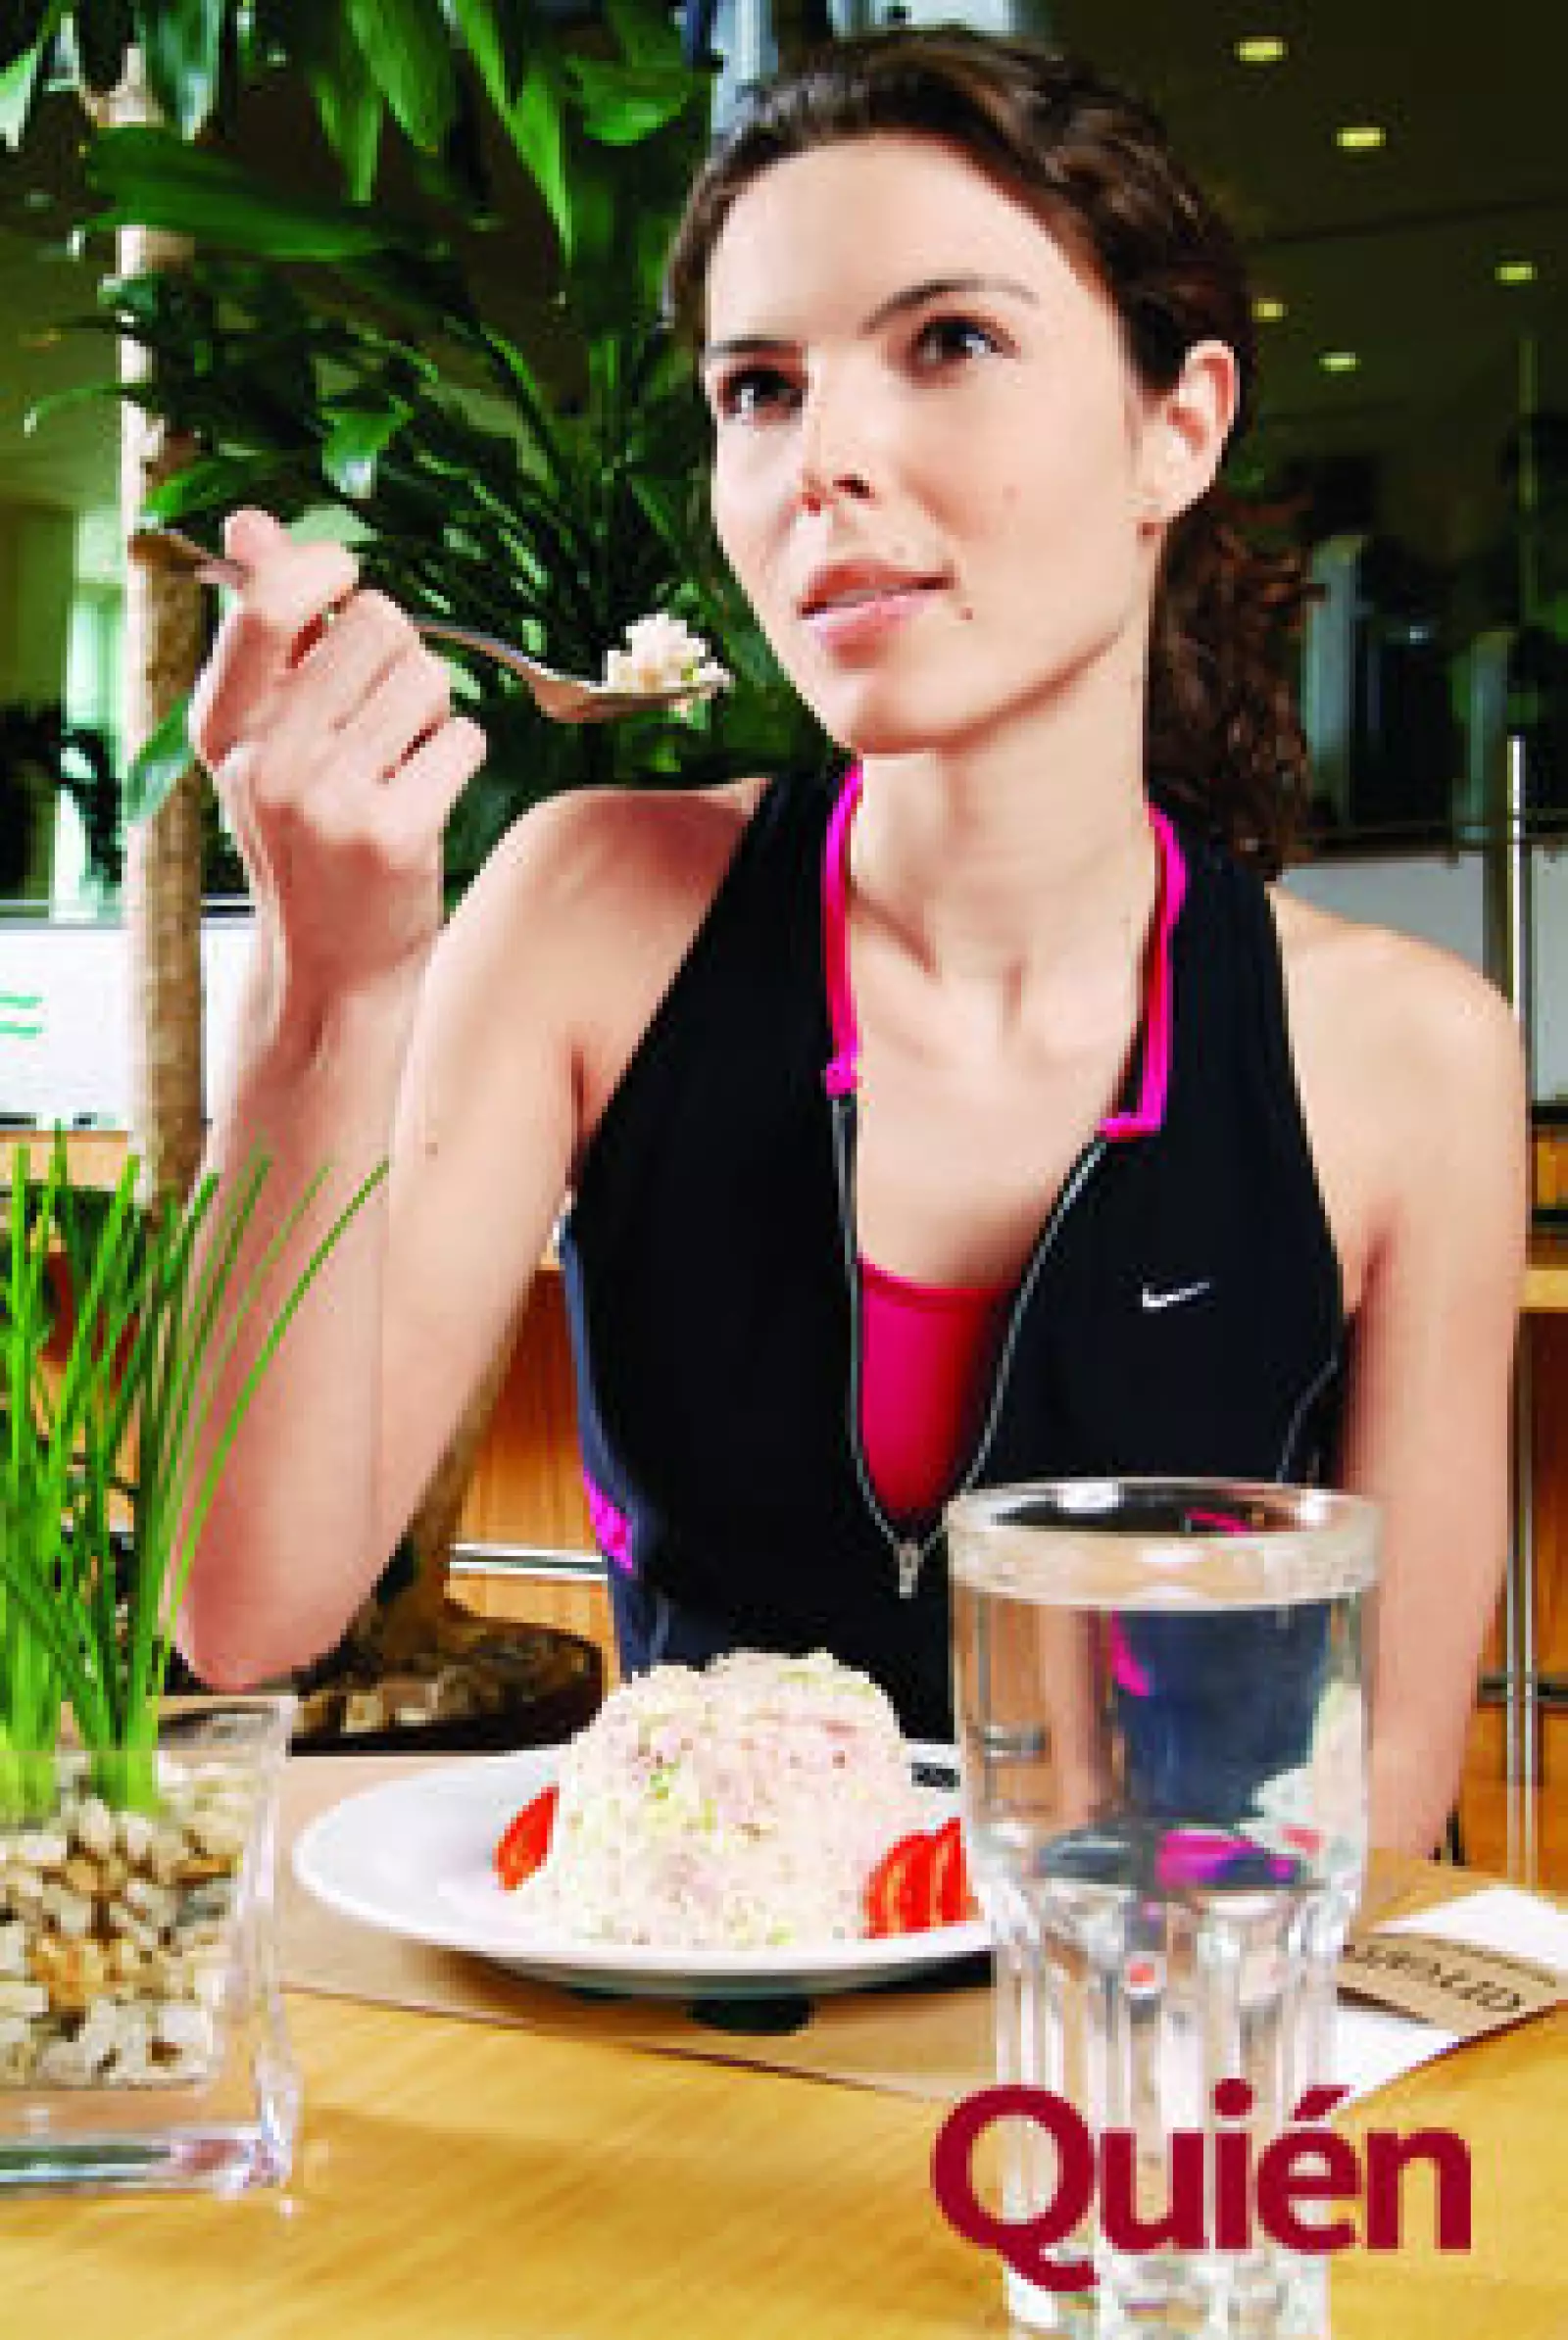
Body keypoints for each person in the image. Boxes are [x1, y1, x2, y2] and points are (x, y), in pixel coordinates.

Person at [180, 29, 1526, 1859]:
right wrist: (329, 990)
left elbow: (1374, 1808)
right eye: (759, 389)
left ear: (1178, 426)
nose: (827, 462)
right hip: (680, 2047)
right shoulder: (592, 910)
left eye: (950, 344)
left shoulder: (1408, 1057)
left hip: (1132, 2058)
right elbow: (248, 1615)